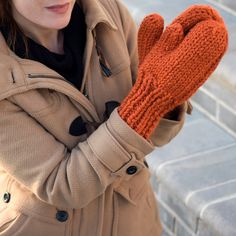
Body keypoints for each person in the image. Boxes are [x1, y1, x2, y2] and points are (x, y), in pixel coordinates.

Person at [0, 0, 227, 236]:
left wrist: (167, 99)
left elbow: (155, 136)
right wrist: (147, 103)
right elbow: (63, 186)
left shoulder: (107, 14)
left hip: (134, 221)